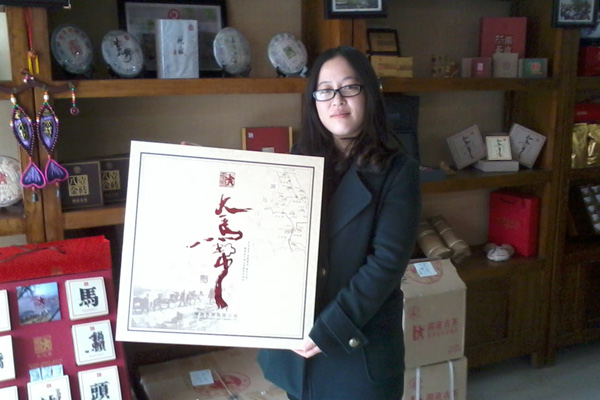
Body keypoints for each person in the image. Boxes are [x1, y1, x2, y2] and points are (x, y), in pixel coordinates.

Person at [257, 46, 422, 400]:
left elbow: (386, 265)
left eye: (349, 87)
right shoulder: (300, 160)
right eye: (325, 90)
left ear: (369, 93)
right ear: (314, 102)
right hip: (296, 347)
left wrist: (329, 330)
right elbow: (263, 224)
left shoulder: (398, 171)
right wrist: (207, 170)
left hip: (355, 348)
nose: (337, 100)